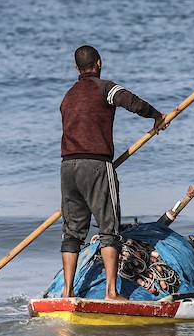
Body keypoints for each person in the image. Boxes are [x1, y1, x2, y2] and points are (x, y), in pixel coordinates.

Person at [60, 44, 166, 301]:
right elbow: (131, 102)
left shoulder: (68, 95)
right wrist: (156, 116)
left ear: (76, 68)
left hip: (67, 166)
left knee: (72, 232)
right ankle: (111, 291)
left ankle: (67, 291)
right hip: (96, 165)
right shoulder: (104, 88)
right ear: (99, 62)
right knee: (109, 229)